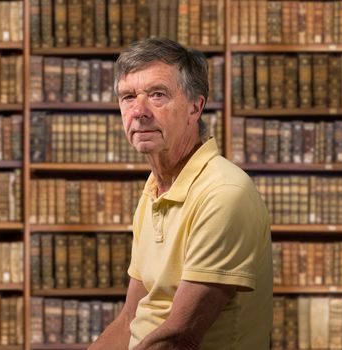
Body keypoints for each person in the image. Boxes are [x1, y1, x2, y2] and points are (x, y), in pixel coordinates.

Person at [88, 38, 273, 350]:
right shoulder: (154, 191)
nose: (138, 111)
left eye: (157, 95)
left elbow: (180, 339)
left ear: (195, 107)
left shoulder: (223, 193)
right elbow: (129, 320)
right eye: (128, 97)